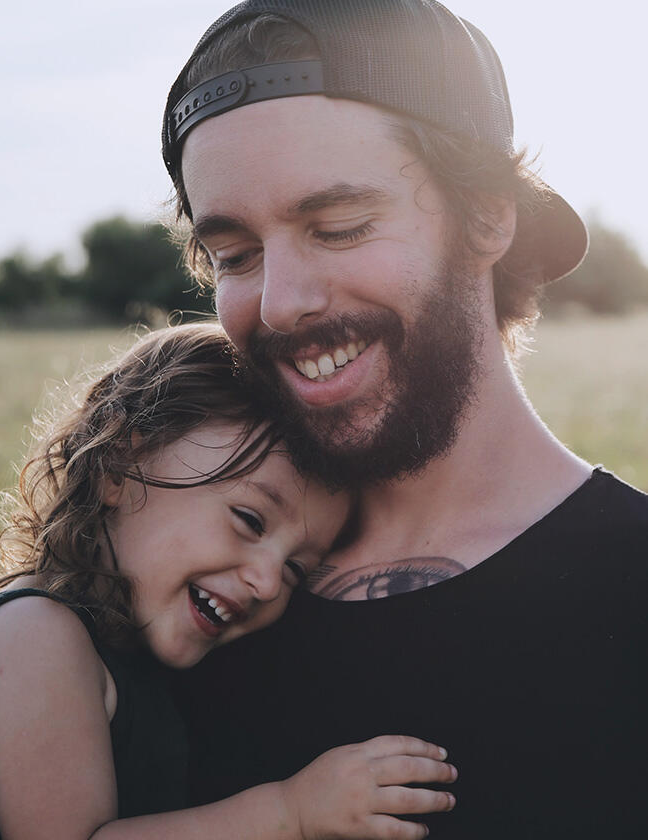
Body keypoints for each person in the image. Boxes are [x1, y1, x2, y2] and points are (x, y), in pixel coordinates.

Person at [161, 2, 648, 837]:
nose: (279, 304)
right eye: (235, 256)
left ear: (489, 216)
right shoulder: (182, 581)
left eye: (339, 227)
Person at [0, 322, 458, 840]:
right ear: (118, 464)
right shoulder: (33, 635)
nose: (264, 582)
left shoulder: (124, 657)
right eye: (249, 520)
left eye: (294, 569)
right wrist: (290, 813)